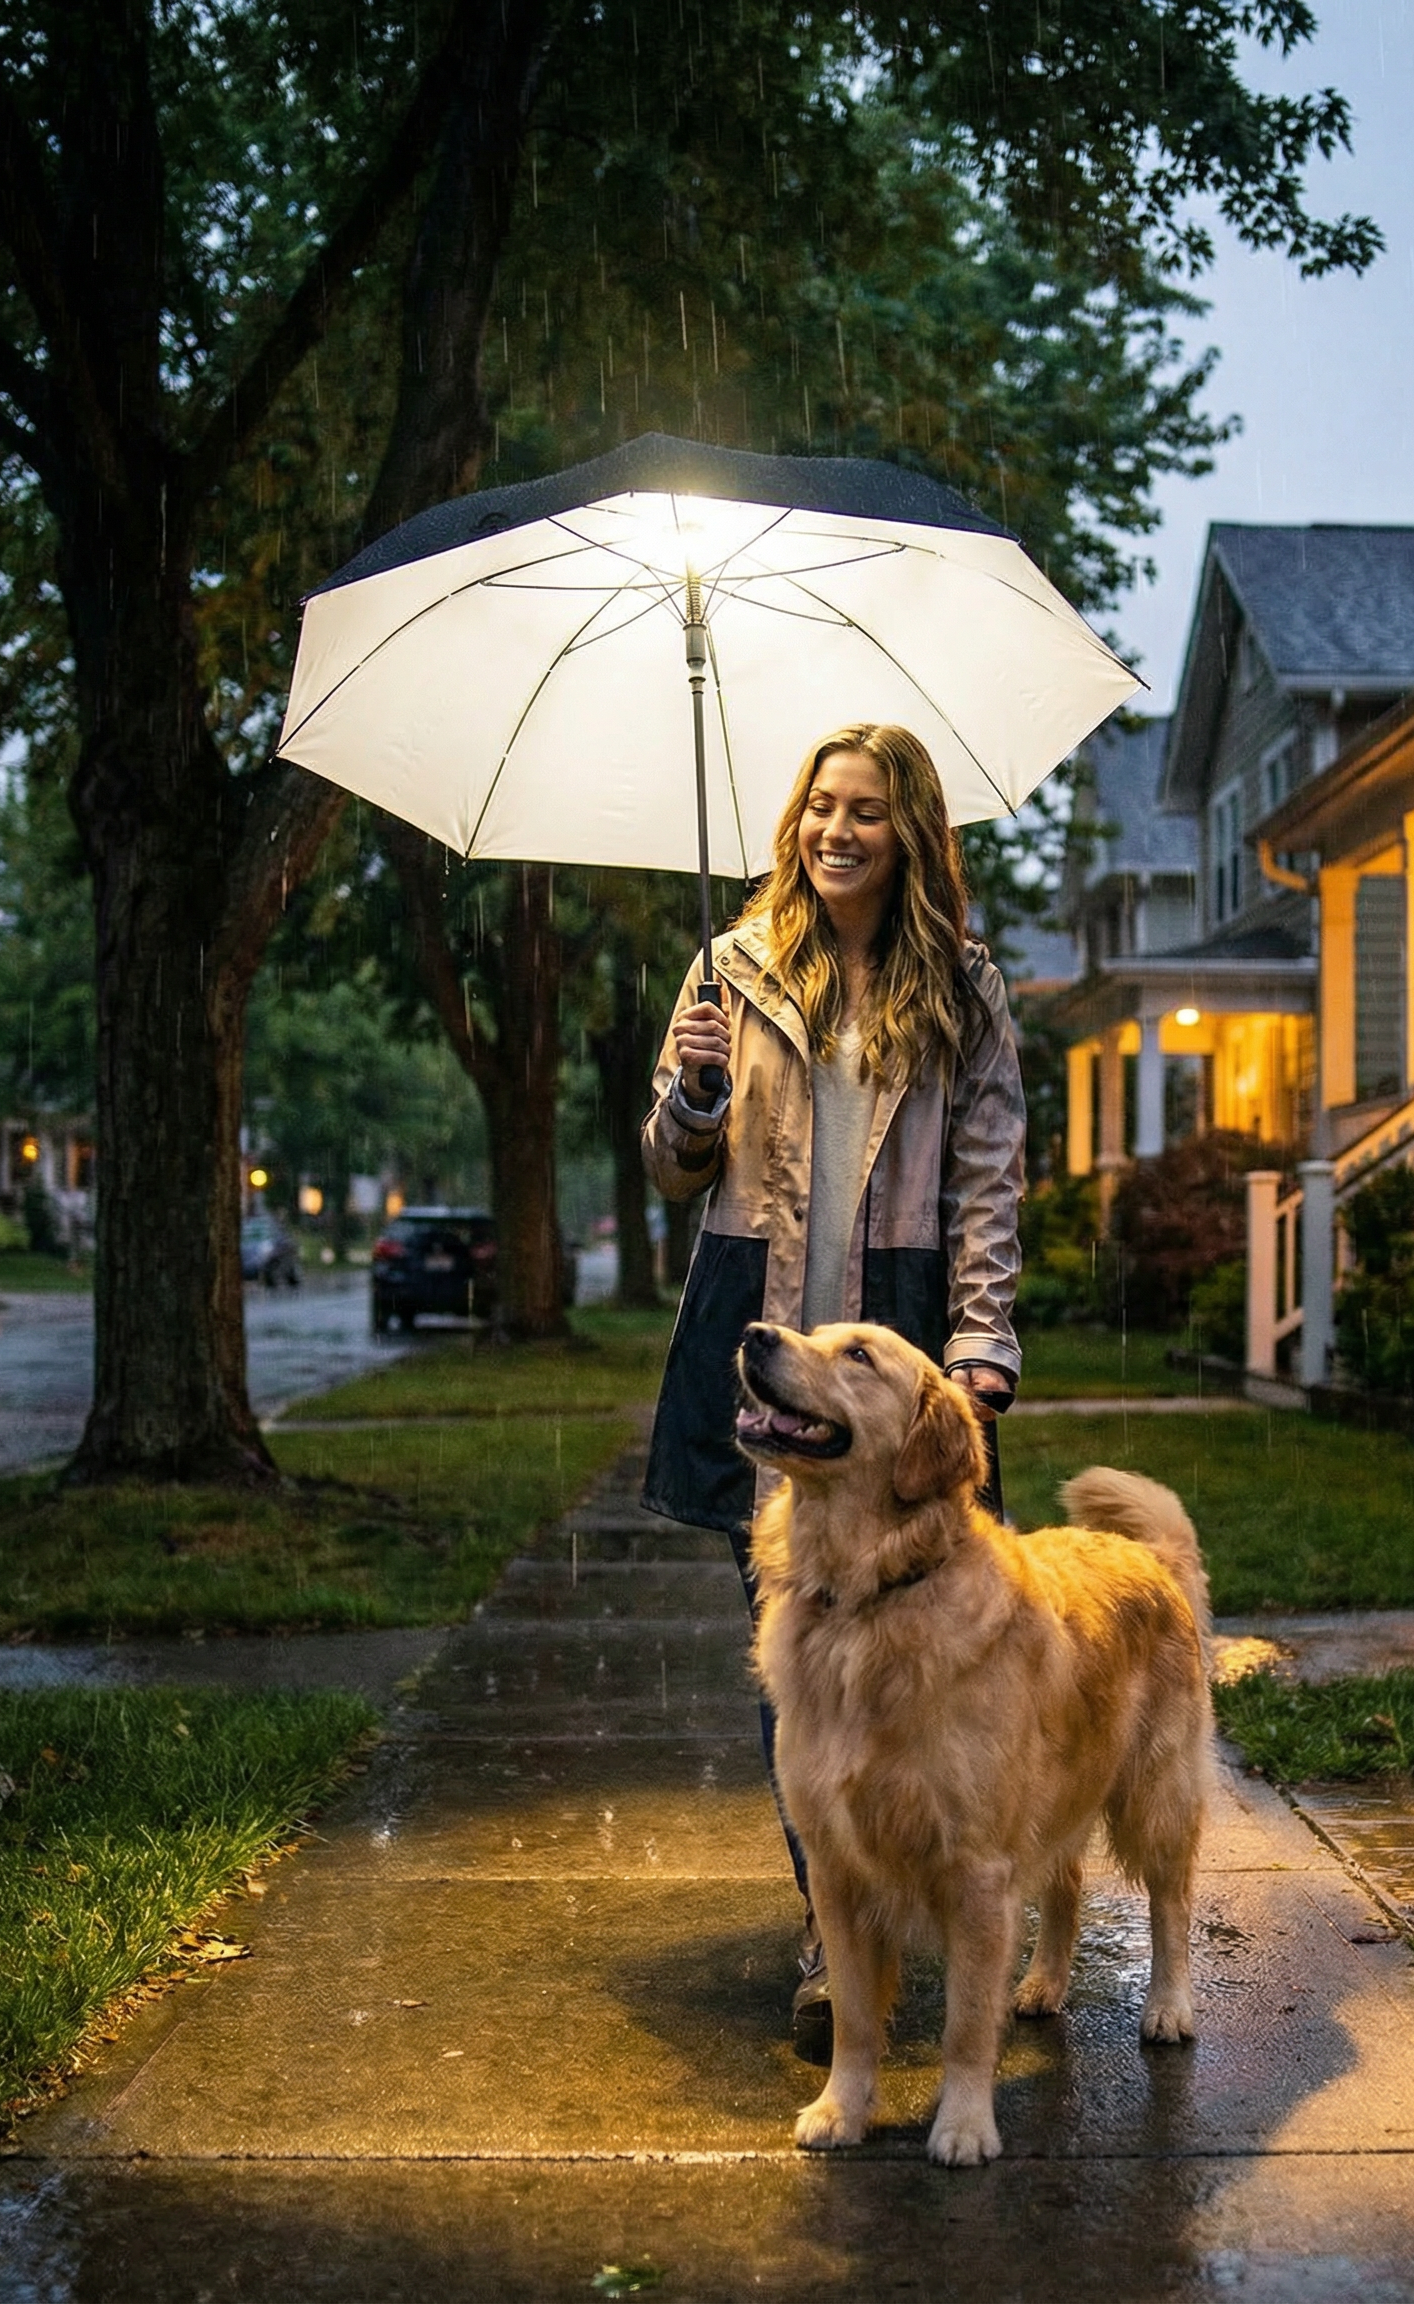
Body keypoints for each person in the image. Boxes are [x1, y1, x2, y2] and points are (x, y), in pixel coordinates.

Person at [640, 721, 1026, 2061]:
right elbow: (672, 1169)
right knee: (795, 1651)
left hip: (897, 1338)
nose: (833, 831)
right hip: (758, 1331)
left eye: (863, 810)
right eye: (817, 806)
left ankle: (940, 1882)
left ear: (909, 829)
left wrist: (982, 1346)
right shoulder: (730, 970)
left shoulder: (964, 992)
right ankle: (834, 1928)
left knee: (916, 1651)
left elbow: (988, 1187)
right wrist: (692, 1092)